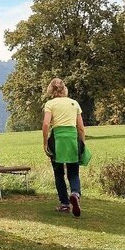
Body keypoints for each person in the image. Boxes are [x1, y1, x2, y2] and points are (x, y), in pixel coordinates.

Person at [42, 78, 86, 216]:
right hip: (72, 138)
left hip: (57, 139)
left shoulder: (50, 104)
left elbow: (45, 124)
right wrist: (82, 144)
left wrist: (44, 142)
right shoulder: (74, 103)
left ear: (51, 90)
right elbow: (81, 128)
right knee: (73, 172)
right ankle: (75, 194)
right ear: (64, 88)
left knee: (58, 173)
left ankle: (65, 204)